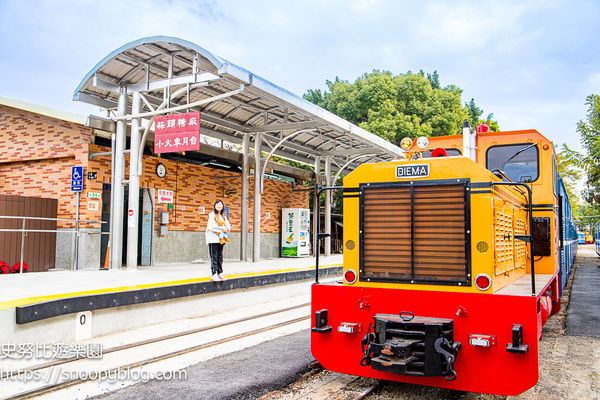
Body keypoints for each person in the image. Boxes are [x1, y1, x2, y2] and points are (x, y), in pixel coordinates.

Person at [206, 200, 231, 281]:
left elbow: (228, 226)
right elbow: (211, 227)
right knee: (214, 257)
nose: (219, 206)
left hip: (221, 239)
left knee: (220, 257)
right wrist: (223, 229)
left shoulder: (223, 216)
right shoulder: (211, 215)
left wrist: (227, 229)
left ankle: (220, 273)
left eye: (220, 204)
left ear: (223, 206)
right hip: (213, 239)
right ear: (214, 206)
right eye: (217, 204)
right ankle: (213, 274)